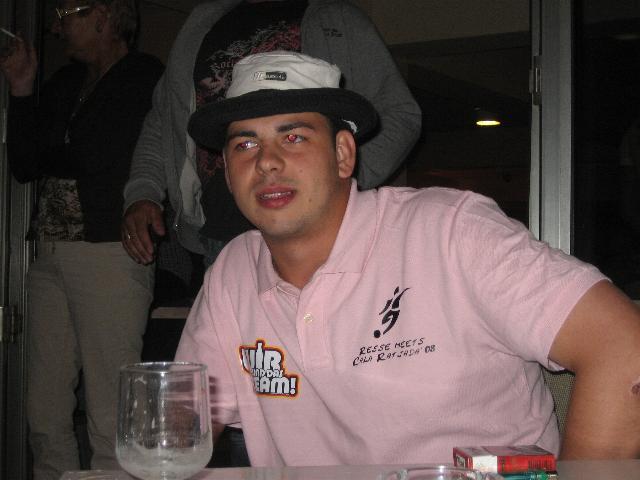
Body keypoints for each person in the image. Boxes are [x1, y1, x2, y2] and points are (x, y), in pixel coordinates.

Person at [174, 51, 640, 465]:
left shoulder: (450, 231)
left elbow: (624, 347)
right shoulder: (233, 273)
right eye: (245, 144)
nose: (266, 162)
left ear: (343, 154)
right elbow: (181, 423)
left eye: (294, 137)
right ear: (229, 174)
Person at [121, 0, 421, 267]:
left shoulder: (338, 19)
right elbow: (162, 119)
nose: (267, 161)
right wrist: (143, 192)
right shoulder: (200, 24)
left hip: (321, 231)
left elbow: (400, 114)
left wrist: (336, 182)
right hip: (223, 229)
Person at [0, 1, 163, 478]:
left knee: (110, 414)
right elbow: (25, 163)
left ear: (104, 16)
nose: (57, 27)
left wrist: (56, 150)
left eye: (68, 13)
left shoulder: (143, 75)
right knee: (44, 411)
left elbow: (98, 155)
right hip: (49, 252)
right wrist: (22, 87)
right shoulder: (65, 82)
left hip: (110, 252)